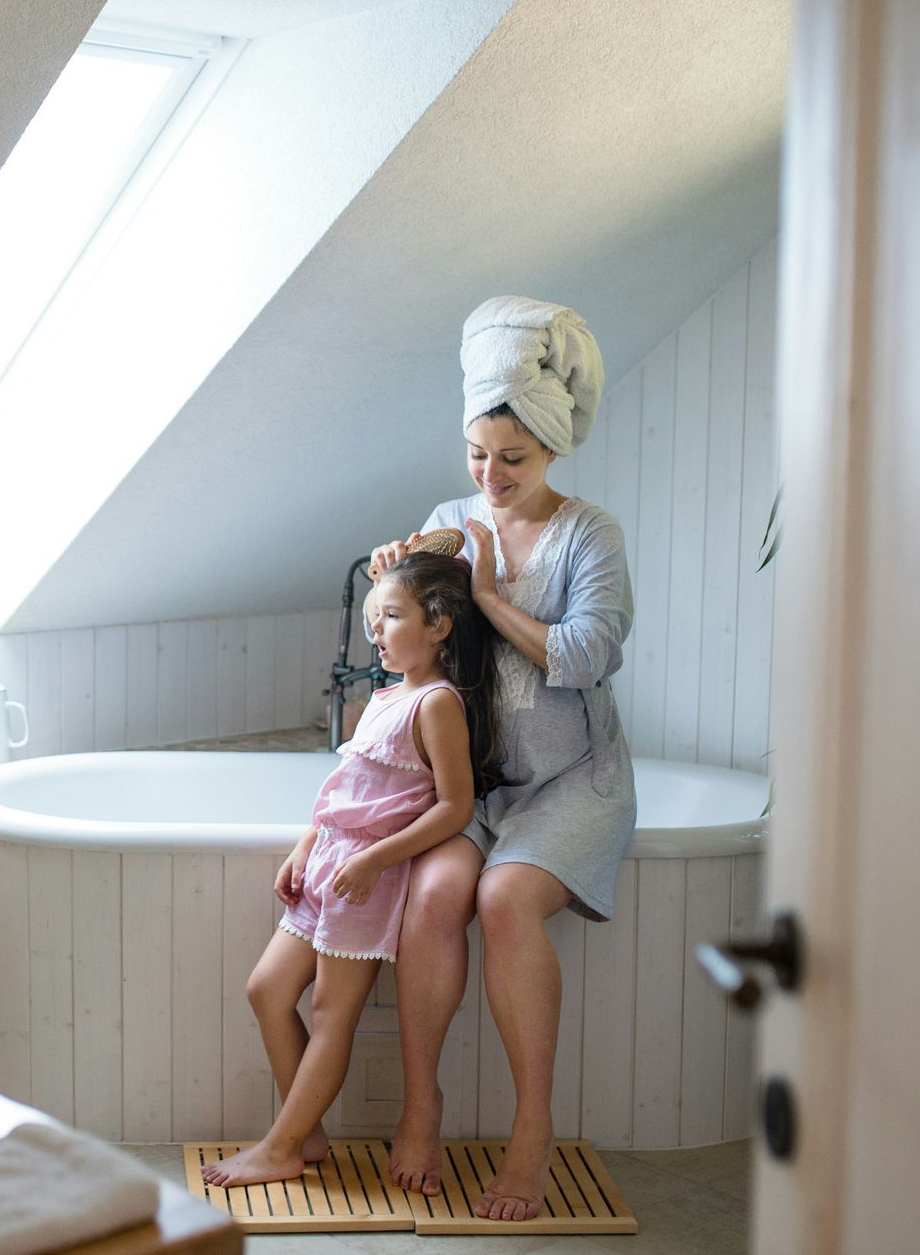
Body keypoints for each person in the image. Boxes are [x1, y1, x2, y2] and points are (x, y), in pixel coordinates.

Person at [371, 296, 636, 1222]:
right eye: (478, 456)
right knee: (438, 893)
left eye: (512, 461)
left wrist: (483, 591)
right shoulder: (451, 517)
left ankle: (532, 1130)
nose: (490, 477)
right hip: (475, 782)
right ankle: (421, 1104)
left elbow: (585, 656)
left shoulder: (589, 533)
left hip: (573, 782)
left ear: (553, 450)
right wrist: (394, 585)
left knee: (504, 898)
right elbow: (411, 632)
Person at [200, 552, 500, 1188]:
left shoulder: (439, 704)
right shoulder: (389, 695)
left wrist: (375, 859)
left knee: (336, 1013)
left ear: (439, 625)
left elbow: (456, 806)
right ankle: (304, 1132)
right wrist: (306, 845)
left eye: (391, 617)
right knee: (267, 990)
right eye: (374, 618)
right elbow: (348, 785)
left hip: (368, 874)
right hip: (332, 862)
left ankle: (281, 1145)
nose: (377, 632)